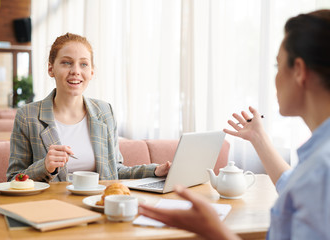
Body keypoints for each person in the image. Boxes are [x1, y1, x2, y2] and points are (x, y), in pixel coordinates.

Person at [139, 9, 330, 240]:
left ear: (299, 71)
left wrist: (214, 231)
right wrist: (259, 139)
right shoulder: (318, 162)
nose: (276, 78)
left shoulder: (322, 169)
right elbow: (296, 188)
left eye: (277, 66)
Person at [7, 33, 171, 182]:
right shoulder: (27, 116)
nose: (76, 71)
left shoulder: (105, 111)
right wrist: (45, 166)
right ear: (51, 69)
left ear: (92, 72)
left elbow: (115, 170)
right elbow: (13, 180)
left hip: (99, 206)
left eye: (84, 64)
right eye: (66, 63)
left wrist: (154, 170)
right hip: (51, 209)